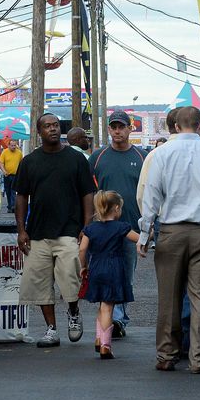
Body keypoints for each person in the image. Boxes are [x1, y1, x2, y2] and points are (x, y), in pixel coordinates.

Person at [139, 106, 200, 374]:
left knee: (168, 296)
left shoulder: (162, 154)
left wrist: (145, 233)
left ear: (176, 127)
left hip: (171, 230)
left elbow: (152, 196)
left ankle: (166, 355)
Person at [16, 113, 97, 348]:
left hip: (69, 231)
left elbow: (87, 194)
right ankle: (51, 329)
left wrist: (87, 226)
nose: (52, 129)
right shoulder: (29, 162)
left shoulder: (76, 159)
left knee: (71, 279)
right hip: (38, 232)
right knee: (40, 284)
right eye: (47, 126)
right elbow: (21, 197)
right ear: (39, 132)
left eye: (55, 126)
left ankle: (73, 312)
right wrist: (21, 230)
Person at [87, 110, 147, 337]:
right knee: (104, 274)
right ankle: (113, 318)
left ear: (130, 128)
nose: (118, 131)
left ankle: (117, 318)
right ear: (109, 130)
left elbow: (149, 191)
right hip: (102, 230)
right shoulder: (98, 157)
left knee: (125, 275)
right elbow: (88, 191)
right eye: (114, 127)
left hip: (131, 227)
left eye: (122, 127)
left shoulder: (142, 156)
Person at [78, 191, 139, 359]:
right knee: (108, 307)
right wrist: (149, 238)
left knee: (101, 305)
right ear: (117, 208)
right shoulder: (121, 227)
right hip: (113, 268)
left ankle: (99, 338)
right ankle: (105, 345)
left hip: (96, 267)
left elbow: (82, 249)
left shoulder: (90, 228)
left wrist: (84, 266)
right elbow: (137, 239)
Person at [0, 138, 23, 213]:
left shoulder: (19, 153)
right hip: (7, 175)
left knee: (13, 191)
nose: (13, 147)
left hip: (16, 175)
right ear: (8, 145)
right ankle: (10, 206)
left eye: (14, 145)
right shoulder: (5, 152)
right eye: (12, 145)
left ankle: (13, 206)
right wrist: (4, 171)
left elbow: (22, 163)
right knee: (8, 191)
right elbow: (1, 163)